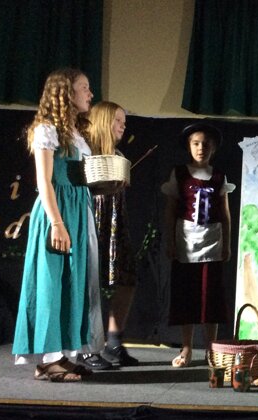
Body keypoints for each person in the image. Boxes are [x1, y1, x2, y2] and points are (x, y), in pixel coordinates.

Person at [12, 68, 105, 381]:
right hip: (58, 211)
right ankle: (49, 359)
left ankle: (66, 354)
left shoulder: (76, 133)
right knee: (52, 283)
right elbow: (44, 181)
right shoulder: (46, 129)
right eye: (84, 87)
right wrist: (57, 223)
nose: (90, 93)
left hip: (78, 209)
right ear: (66, 92)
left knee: (74, 282)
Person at [162, 123, 233, 367]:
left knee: (210, 298)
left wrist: (227, 244)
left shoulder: (219, 176)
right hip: (186, 242)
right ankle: (187, 348)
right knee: (187, 297)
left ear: (213, 148)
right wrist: (170, 241)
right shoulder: (180, 173)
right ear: (189, 146)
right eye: (196, 143)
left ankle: (211, 349)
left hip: (211, 242)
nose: (201, 148)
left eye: (205, 144)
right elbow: (170, 211)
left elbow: (225, 213)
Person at [87, 101, 139, 367]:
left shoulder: (117, 154)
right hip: (93, 221)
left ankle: (114, 342)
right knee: (89, 284)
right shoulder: (86, 152)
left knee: (127, 278)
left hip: (116, 224)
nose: (122, 126)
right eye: (118, 120)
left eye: (124, 122)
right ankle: (87, 346)